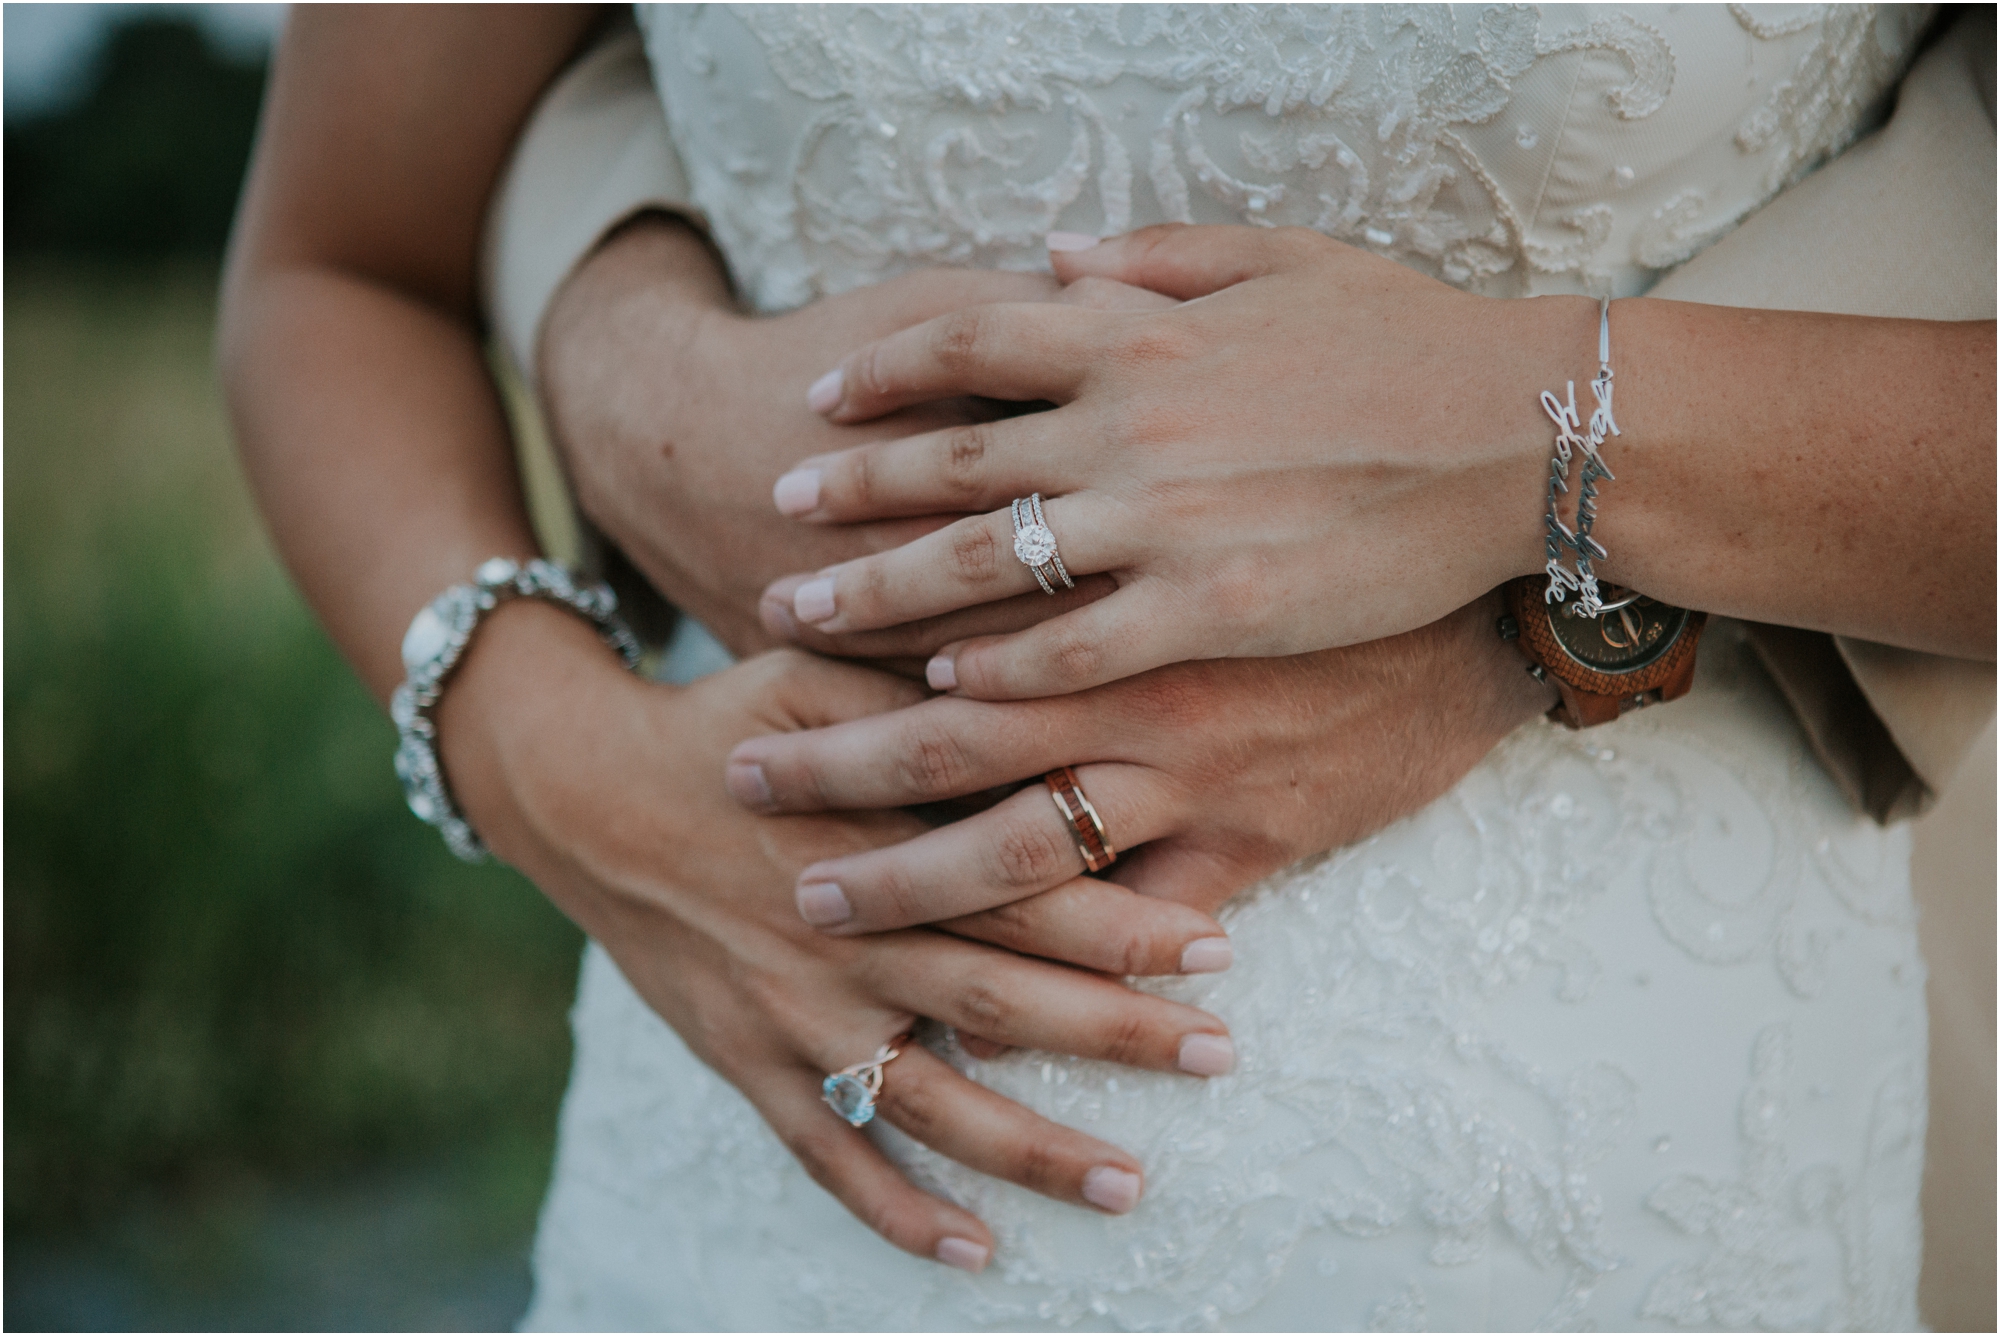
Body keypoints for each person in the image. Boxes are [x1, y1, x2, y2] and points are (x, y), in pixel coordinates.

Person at [222, 6, 1993, 1329]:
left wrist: (1510, 470)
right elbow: (332, 264)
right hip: (749, 1195)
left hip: (1617, 1178)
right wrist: (563, 769)